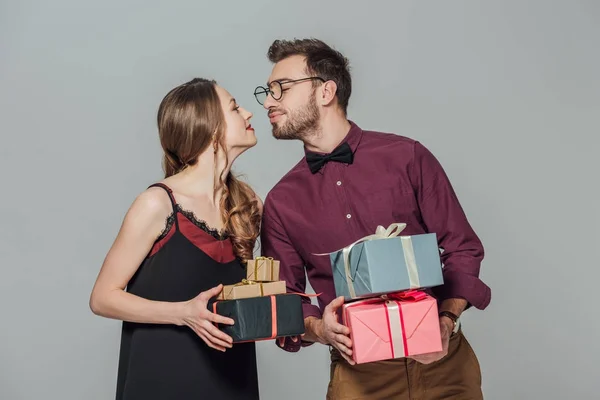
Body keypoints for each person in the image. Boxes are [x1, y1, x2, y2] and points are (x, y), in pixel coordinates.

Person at [256, 38, 490, 400]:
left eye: (280, 88)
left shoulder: (407, 157)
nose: (269, 101)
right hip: (360, 381)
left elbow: (462, 247)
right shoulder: (281, 202)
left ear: (325, 91)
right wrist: (320, 328)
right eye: (268, 92)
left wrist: (446, 321)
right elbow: (286, 299)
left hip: (445, 367)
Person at [89, 78, 262, 400]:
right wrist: (183, 312)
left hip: (234, 380)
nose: (249, 114)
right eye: (236, 108)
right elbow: (102, 298)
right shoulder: (156, 203)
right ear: (210, 128)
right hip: (163, 380)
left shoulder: (245, 203)